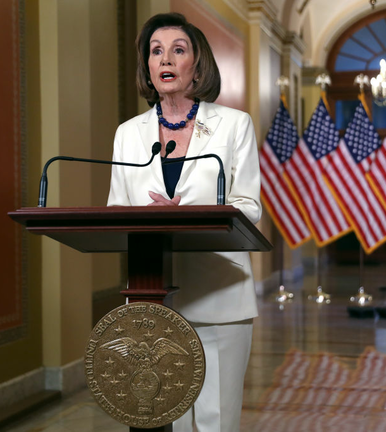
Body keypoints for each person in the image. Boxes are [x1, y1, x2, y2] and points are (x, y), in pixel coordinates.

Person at [106, 12, 261, 432]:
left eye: (178, 50)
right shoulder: (128, 134)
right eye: (156, 51)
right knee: (157, 416)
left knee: (214, 420)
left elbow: (249, 207)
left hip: (219, 291)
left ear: (197, 65)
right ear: (148, 67)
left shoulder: (233, 125)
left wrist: (191, 216)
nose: (165, 59)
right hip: (150, 298)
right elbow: (115, 212)